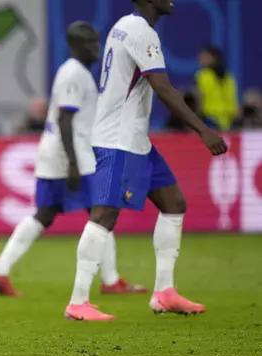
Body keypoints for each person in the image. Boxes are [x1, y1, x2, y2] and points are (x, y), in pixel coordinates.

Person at [65, 0, 227, 321]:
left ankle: (164, 292)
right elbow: (163, 87)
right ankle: (77, 301)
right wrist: (203, 130)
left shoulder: (124, 26)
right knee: (104, 217)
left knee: (174, 202)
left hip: (136, 140)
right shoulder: (141, 31)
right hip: (117, 141)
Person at [0, 22, 145, 297]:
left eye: (97, 42)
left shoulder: (76, 73)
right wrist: (72, 162)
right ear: (76, 46)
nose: (97, 48)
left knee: (45, 214)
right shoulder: (74, 74)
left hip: (58, 152)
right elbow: (65, 118)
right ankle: (111, 280)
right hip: (70, 155)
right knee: (102, 211)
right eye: (91, 43)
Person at [196, 45, 238, 131]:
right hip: (227, 122)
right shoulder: (229, 77)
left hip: (209, 120)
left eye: (205, 56)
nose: (200, 58)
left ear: (213, 59)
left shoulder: (203, 75)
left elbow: (200, 98)